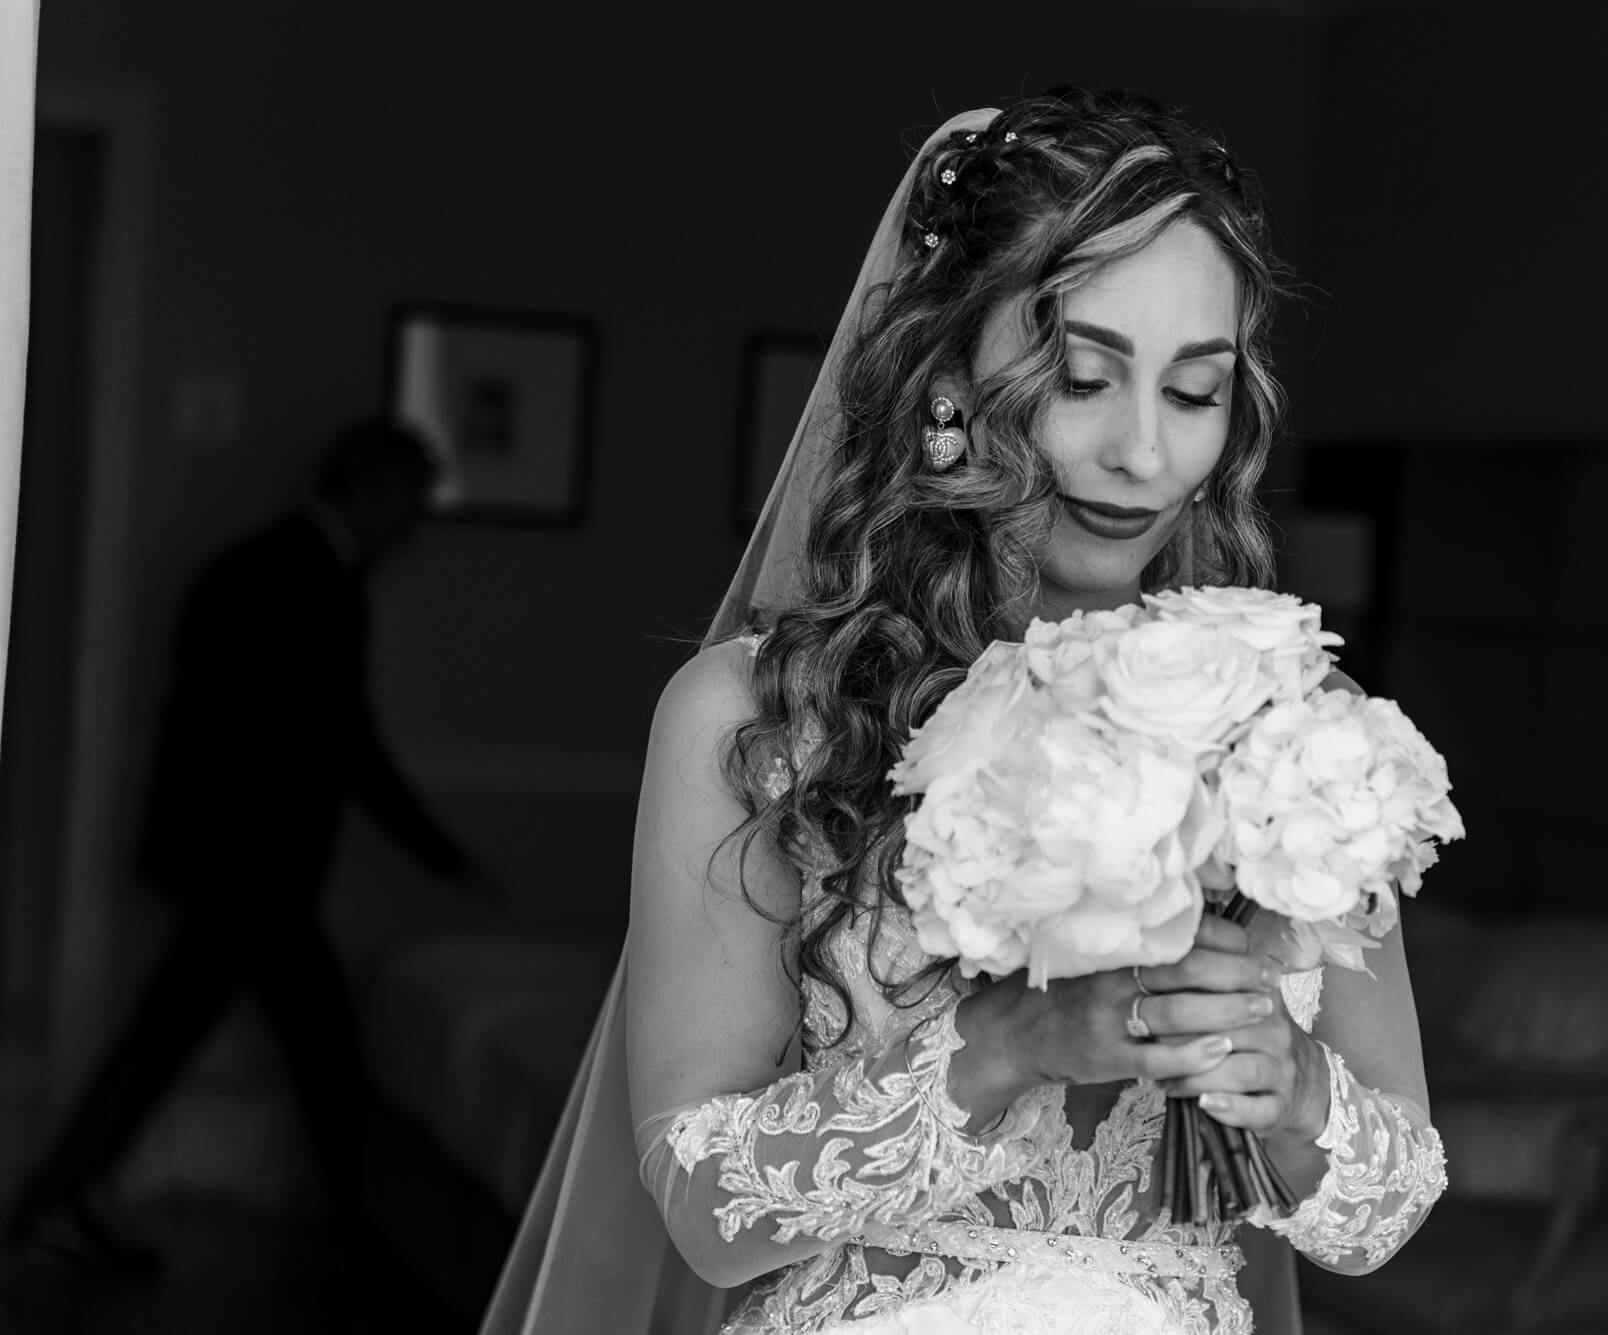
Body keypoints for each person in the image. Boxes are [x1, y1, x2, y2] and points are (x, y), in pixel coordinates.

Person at [482, 90, 1445, 1335]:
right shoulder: (763, 719)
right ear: (946, 383)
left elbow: (1386, 1212)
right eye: (1082, 376)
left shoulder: (1290, 727)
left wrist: (1298, 1089)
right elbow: (704, 1215)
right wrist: (1010, 1044)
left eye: (1194, 391)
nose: (1141, 454)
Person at [4, 419, 504, 1273]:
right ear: (375, 491)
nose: (412, 532)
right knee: (297, 1043)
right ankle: (352, 1231)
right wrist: (443, 856)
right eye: (411, 507)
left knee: (257, 1041)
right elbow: (341, 744)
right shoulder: (306, 580)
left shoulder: (264, 567)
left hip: (233, 869)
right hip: (247, 874)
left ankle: (60, 1202)